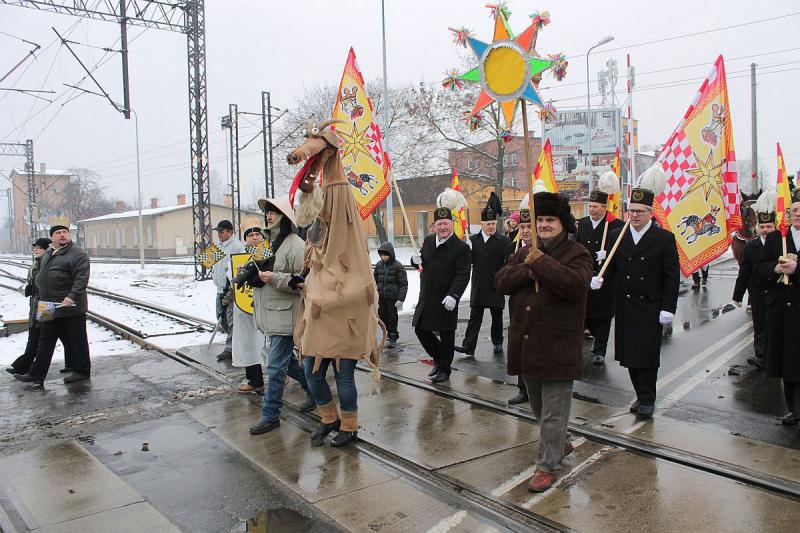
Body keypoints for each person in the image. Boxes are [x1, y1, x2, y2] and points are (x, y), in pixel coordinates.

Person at [496, 193, 593, 492]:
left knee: (553, 412)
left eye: (550, 220)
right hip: (528, 345)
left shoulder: (577, 253)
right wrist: (530, 266)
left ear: (563, 223)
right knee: (538, 408)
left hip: (558, 346)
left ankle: (547, 465)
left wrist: (541, 263)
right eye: (540, 220)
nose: (544, 225)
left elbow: (574, 285)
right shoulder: (525, 250)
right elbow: (501, 281)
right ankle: (561, 443)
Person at [590, 181, 680, 419]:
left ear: (650, 213)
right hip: (626, 305)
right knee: (630, 355)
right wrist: (599, 278)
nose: (635, 216)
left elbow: (672, 277)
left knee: (647, 357)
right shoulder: (617, 236)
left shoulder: (663, 239)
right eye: (632, 211)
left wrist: (668, 308)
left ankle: (648, 398)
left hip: (651, 306)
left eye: (640, 212)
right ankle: (640, 395)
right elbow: (611, 268)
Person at [248, 198, 315, 435]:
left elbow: (302, 281)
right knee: (289, 364)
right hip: (271, 314)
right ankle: (315, 392)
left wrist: (273, 278)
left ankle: (271, 415)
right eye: (267, 213)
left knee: (276, 368)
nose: (269, 216)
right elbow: (261, 269)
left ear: (285, 217)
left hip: (286, 315)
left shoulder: (296, 244)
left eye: (274, 213)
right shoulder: (269, 243)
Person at [14, 225, 91, 385]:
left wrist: (71, 296)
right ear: (52, 237)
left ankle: (82, 371)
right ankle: (36, 374)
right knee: (45, 340)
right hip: (47, 304)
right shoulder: (49, 252)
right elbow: (41, 275)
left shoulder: (77, 254)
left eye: (65, 232)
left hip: (69, 306)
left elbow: (81, 279)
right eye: (58, 233)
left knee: (77, 340)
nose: (62, 235)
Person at [756, 190, 800, 425]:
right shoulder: (776, 239)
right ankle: (794, 409)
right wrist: (776, 268)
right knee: (788, 361)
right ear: (789, 213)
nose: (798, 215)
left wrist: (797, 271)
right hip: (782, 310)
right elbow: (759, 269)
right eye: (795, 211)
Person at [412, 207, 471, 383]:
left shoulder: (461, 247)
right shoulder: (429, 241)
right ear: (434, 226)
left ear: (452, 225)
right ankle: (439, 358)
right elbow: (422, 262)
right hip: (428, 296)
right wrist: (414, 262)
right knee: (420, 329)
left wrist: (454, 295)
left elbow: (463, 274)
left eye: (446, 223)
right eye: (439, 224)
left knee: (446, 335)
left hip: (447, 298)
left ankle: (445, 369)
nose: (443, 227)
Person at [576, 190, 624, 365]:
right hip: (587, 274)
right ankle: (593, 335)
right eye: (590, 206)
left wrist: (609, 253)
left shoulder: (615, 225)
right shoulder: (582, 224)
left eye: (596, 206)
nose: (592, 210)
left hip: (606, 277)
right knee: (586, 313)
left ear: (604, 207)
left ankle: (600, 350)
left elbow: (623, 251)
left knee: (604, 315)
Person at [456, 201, 509, 356]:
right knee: (475, 318)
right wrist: (468, 251)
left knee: (497, 317)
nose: (491, 226)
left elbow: (507, 262)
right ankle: (468, 346)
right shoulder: (473, 241)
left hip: (496, 284)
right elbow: (467, 263)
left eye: (493, 223)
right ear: (482, 224)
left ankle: (497, 342)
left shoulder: (503, 241)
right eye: (488, 223)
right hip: (479, 285)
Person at [733, 210, 775, 369]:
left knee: (775, 326)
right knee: (760, 325)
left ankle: (775, 356)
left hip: (776, 292)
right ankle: (760, 356)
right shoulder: (751, 246)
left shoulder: (781, 243)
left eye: (769, 226)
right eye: (762, 226)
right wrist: (738, 295)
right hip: (757, 292)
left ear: (774, 227)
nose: (765, 230)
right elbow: (744, 271)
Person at [6, 238, 53, 375]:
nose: (35, 250)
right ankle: (23, 366)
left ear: (46, 249)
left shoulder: (49, 264)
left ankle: (29, 368)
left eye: (38, 247)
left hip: (46, 305)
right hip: (35, 304)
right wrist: (29, 289)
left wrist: (34, 289)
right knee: (35, 334)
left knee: (47, 336)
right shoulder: (35, 264)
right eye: (35, 247)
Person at [231, 221, 268, 394]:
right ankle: (254, 379)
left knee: (270, 343)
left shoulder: (268, 251)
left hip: (265, 302)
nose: (254, 238)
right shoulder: (239, 252)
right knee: (248, 343)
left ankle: (286, 374)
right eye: (250, 235)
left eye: (257, 234)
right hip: (244, 304)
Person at [211, 219, 245, 361]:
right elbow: (208, 262)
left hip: (231, 290)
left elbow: (241, 266)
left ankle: (231, 348)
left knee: (231, 320)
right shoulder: (218, 245)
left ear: (230, 232)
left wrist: (232, 285)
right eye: (218, 231)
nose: (218, 234)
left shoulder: (237, 247)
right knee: (221, 317)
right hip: (219, 289)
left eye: (221, 231)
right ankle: (236, 343)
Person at [373, 241, 408, 349]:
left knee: (392, 317)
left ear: (391, 254)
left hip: (393, 298)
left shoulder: (398, 266)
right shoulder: (379, 265)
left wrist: (401, 299)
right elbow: (374, 281)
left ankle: (393, 336)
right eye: (382, 255)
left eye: (386, 255)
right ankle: (388, 333)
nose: (383, 257)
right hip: (381, 297)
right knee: (382, 316)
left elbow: (403, 284)